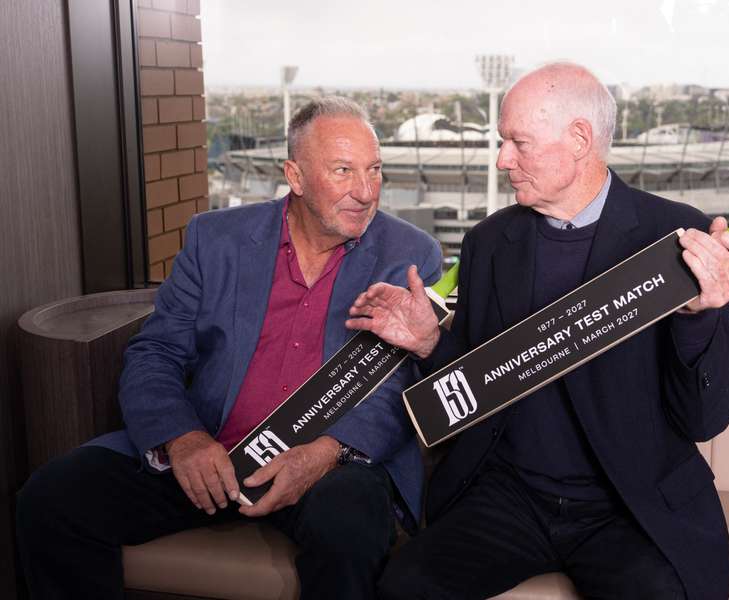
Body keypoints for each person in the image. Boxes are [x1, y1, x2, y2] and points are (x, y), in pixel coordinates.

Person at [347, 63, 729, 600]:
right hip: (509, 496)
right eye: (502, 142)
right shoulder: (488, 242)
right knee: (403, 587)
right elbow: (475, 391)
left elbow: (707, 418)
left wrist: (701, 315)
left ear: (579, 139)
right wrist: (429, 342)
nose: (502, 160)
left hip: (627, 504)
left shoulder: (677, 237)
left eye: (518, 143)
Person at [16, 97, 442, 600]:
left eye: (374, 170)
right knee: (49, 499)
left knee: (348, 527)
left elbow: (403, 385)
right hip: (213, 446)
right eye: (343, 171)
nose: (365, 192)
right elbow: (155, 353)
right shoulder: (214, 240)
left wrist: (324, 454)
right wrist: (184, 439)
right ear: (296, 176)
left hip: (330, 462)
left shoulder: (409, 254)